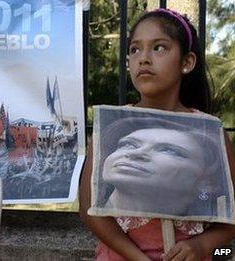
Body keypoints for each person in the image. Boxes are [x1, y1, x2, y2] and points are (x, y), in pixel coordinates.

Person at [79, 8, 235, 260]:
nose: (143, 58)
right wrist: (138, 258)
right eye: (134, 49)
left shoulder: (211, 131)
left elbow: (229, 222)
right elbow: (89, 210)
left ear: (187, 62)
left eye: (159, 48)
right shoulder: (110, 127)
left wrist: (204, 246)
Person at [98, 117, 224, 217]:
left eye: (169, 151)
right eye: (129, 145)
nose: (136, 153)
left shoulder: (206, 240)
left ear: (206, 181)